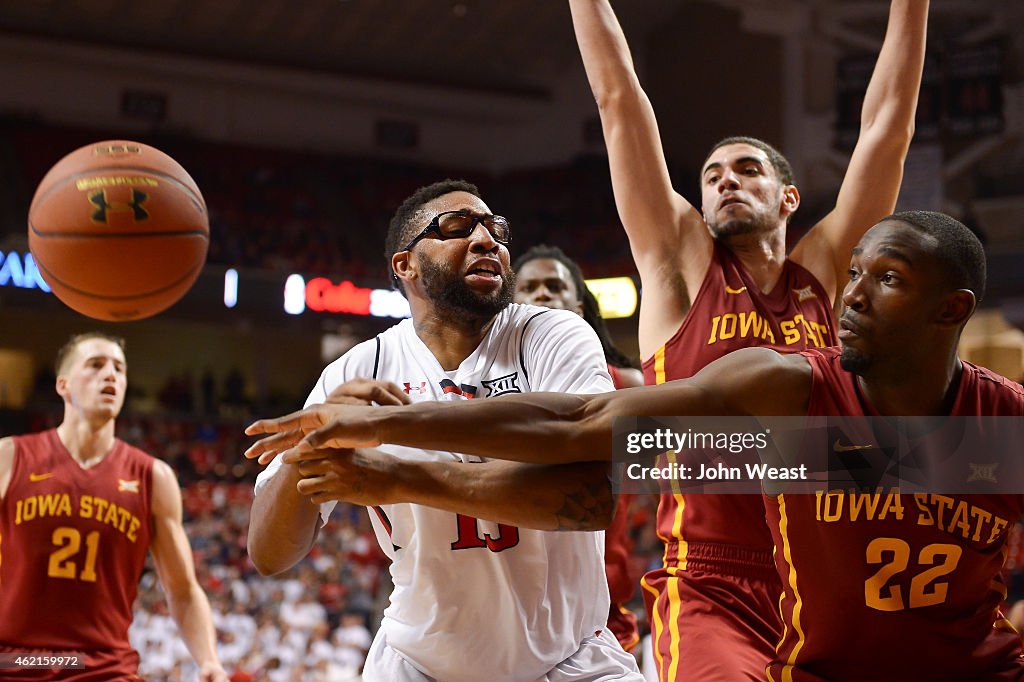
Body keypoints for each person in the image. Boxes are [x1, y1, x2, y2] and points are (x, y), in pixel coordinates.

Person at [247, 211, 1024, 680]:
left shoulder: (1000, 427)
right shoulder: (788, 397)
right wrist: (382, 424)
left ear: (951, 310)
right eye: (851, 273)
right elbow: (580, 429)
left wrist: (390, 455)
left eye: (883, 279)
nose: (851, 296)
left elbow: (580, 484)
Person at [568, 0, 930, 677]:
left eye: (746, 169)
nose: (725, 180)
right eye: (711, 176)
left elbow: (888, 129)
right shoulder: (681, 267)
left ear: (789, 198)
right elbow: (618, 99)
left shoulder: (824, 271)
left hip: (830, 579)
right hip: (713, 583)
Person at [247, 179, 643, 681]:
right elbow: (269, 553)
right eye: (456, 227)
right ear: (405, 265)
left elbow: (590, 500)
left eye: (495, 229)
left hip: (569, 658)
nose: (486, 240)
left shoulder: (550, 333)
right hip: (419, 663)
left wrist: (393, 476)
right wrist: (308, 456)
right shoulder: (357, 369)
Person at [0, 332, 226, 681]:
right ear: (63, 385)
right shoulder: (10, 458)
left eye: (119, 369)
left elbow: (182, 590)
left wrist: (209, 660)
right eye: (96, 365)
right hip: (16, 663)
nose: (111, 375)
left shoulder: (153, 476)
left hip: (104, 668)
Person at [514, 243, 644, 654]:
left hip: (598, 614)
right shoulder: (477, 388)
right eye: (529, 287)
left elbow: (690, 462)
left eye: (555, 286)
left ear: (580, 307)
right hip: (509, 607)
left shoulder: (628, 385)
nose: (542, 294)